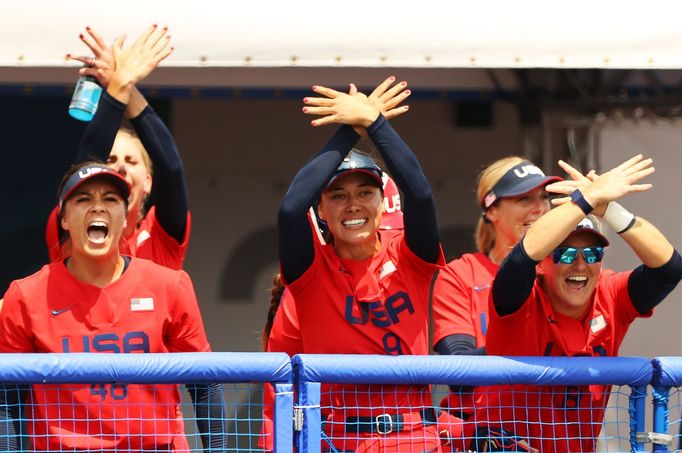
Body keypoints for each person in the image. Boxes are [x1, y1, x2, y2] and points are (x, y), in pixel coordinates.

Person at [0, 161, 225, 451]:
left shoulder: (170, 286)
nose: (98, 208)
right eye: (83, 200)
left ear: (125, 217)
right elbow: (7, 397)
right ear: (64, 219)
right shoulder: (25, 295)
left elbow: (206, 384)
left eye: (110, 199)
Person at [277, 77, 444, 452]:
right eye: (338, 195)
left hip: (412, 437)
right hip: (336, 437)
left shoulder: (408, 255)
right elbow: (290, 209)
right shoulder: (310, 269)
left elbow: (419, 192)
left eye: (365, 192)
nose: (353, 204)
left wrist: (376, 124)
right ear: (320, 210)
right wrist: (353, 129)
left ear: (383, 201)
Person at [483, 155, 682, 452]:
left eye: (592, 255)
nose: (579, 265)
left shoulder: (611, 293)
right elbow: (521, 259)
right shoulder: (520, 299)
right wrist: (587, 197)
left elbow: (669, 269)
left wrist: (609, 209)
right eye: (564, 254)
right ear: (542, 264)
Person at [260, 173, 404, 451]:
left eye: (394, 230)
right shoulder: (306, 286)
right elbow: (279, 389)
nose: (390, 239)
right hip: (329, 438)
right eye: (389, 230)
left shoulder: (404, 272)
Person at [430, 157, 560, 447]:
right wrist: (527, 344)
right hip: (476, 435)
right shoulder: (461, 273)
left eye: (544, 197)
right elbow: (458, 371)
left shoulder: (566, 273)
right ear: (491, 210)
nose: (539, 207)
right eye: (524, 198)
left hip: (546, 432)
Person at [45, 24, 190, 270]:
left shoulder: (160, 234)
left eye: (132, 161)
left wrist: (122, 84)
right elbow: (87, 168)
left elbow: (171, 169)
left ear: (148, 181)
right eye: (109, 160)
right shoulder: (73, 220)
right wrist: (120, 84)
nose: (120, 166)